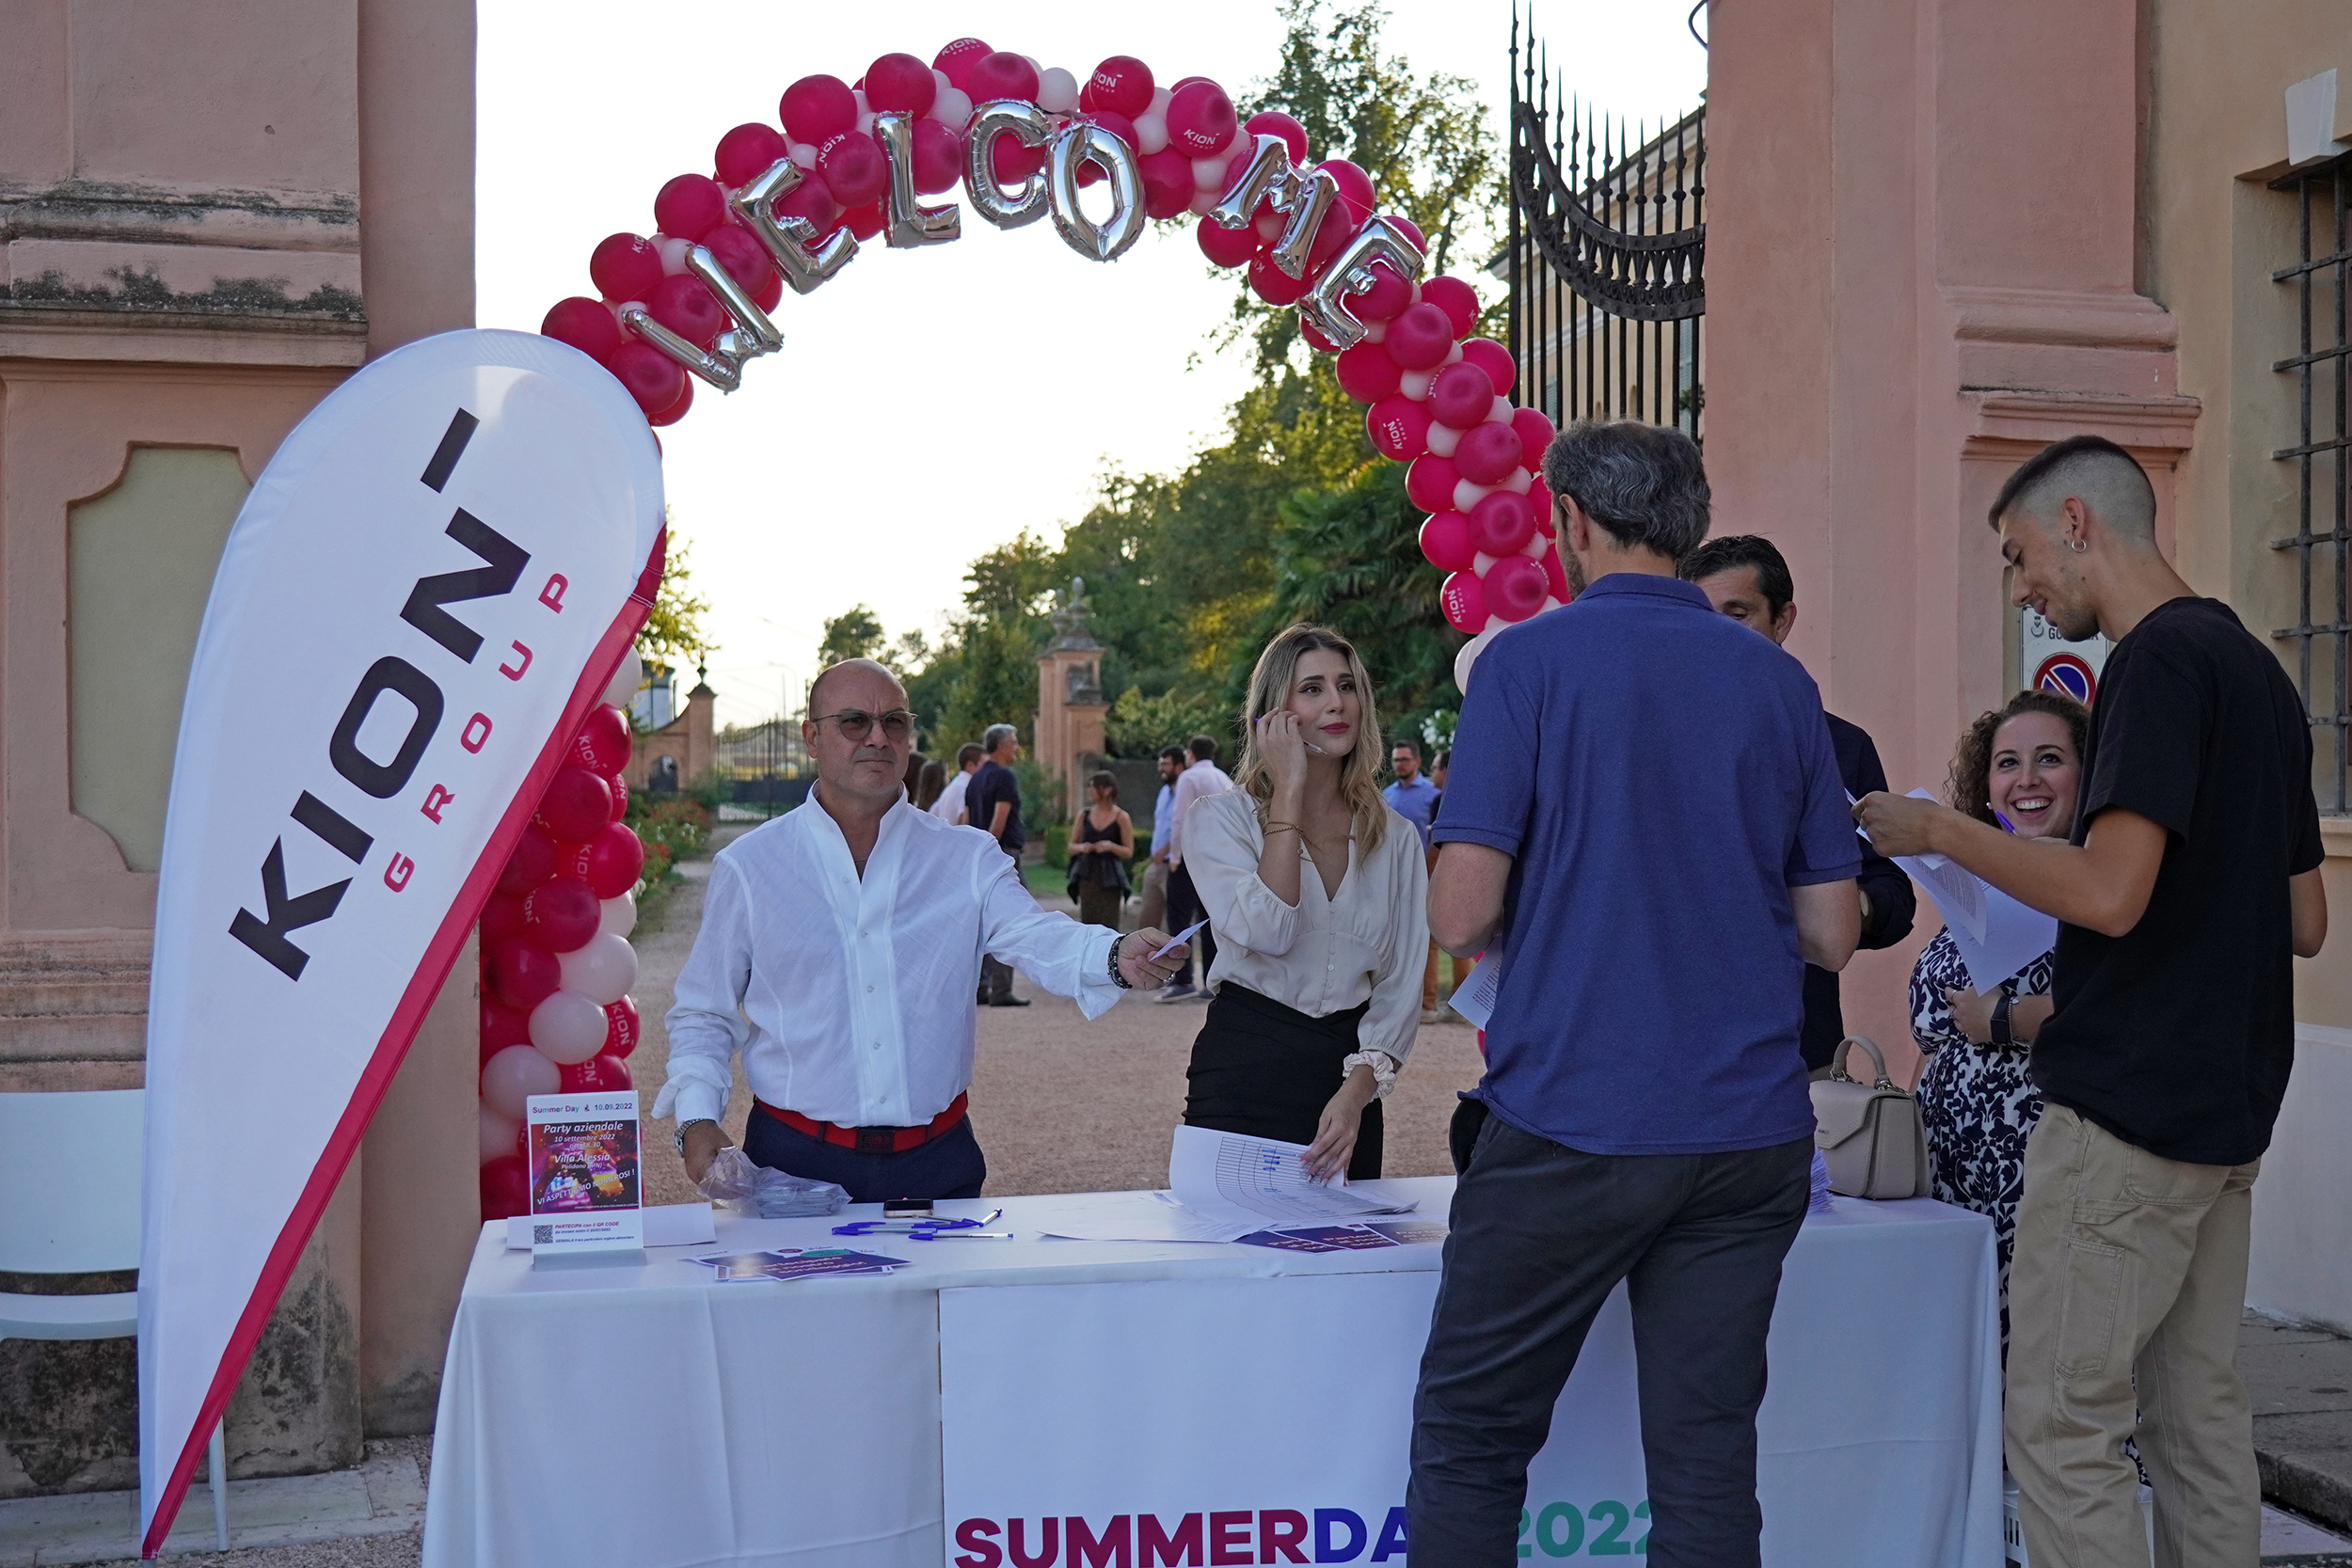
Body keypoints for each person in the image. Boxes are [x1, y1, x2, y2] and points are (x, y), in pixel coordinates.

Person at [1854, 435, 2328, 1568]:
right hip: (2224, 1119)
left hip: (2125, 1117)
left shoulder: (2153, 666)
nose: (2022, 586)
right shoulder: (2257, 671)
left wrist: (1940, 832)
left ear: (2078, 522)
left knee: (2061, 1425)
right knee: (2196, 1421)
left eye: (2020, 554)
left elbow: (2110, 893)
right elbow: (2304, 919)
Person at [1409, 420, 1862, 1566]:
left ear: (1569, 522)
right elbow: (1830, 928)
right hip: (1746, 1128)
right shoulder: (1778, 681)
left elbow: (1457, 917)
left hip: (1571, 1110)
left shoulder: (1529, 662)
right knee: (1707, 1461)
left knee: (1471, 1440)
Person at [658, 659, 1184, 1202]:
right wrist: (696, 1120)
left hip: (938, 1163)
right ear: (812, 737)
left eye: (895, 723)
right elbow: (704, 1011)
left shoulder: (967, 857)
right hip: (794, 1162)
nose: (878, 738)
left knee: (942, 1295)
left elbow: (1036, 934)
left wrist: (1115, 953)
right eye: (855, 722)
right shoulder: (750, 867)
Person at [1180, 626, 1430, 1181]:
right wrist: (1288, 788)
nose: (1337, 703)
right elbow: (1269, 929)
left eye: (1346, 685)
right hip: (1243, 1066)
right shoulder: (1219, 822)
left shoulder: (1397, 840)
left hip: (1347, 1086)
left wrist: (1357, 1093)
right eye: (1311, 689)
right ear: (1275, 711)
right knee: (1229, 1260)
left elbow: (1401, 985)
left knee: (1343, 1260)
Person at [1681, 534, 1916, 1074]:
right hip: (1674, 1047)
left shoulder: (1839, 745)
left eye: (1736, 614)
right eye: (1701, 616)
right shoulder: (1647, 738)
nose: (1716, 635)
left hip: (1793, 1050)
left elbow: (1893, 891)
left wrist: (1844, 906)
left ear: (1783, 621)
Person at [1907, 689, 2087, 1354]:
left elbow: (2118, 1004)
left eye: (2050, 759)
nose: (2028, 780)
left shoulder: (2103, 883)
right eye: (2008, 763)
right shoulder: (1975, 881)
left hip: (2041, 1173)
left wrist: (2006, 1019)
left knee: (2047, 1360)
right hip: (1953, 1178)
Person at [1154, 734, 1233, 1004]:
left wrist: (1175, 856)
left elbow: (1181, 819)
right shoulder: (1224, 779)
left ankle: (1183, 979)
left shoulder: (1189, 778)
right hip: (1217, 858)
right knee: (1210, 921)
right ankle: (1211, 981)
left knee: (1178, 919)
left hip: (1190, 856)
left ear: (1190, 754)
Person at [1381, 736, 1444, 1024]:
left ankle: (1427, 1003)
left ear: (1417, 762)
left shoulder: (1433, 795)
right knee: (1394, 939)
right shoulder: (1386, 796)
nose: (1400, 764)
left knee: (1428, 939)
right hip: (1394, 877)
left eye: (1405, 759)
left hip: (1429, 874)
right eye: (1396, 760)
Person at [966, 724, 1029, 1007]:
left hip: (980, 855)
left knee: (982, 923)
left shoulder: (975, 777)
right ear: (1001, 745)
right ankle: (1002, 989)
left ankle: (981, 986)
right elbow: (999, 819)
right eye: (1013, 742)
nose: (1016, 747)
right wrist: (994, 857)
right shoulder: (1004, 777)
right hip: (1001, 854)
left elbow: (967, 820)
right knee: (1011, 920)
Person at [1067, 768, 1135, 929]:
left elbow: (1129, 851)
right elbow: (1071, 846)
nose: (1089, 791)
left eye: (1093, 786)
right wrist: (1083, 847)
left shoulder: (1121, 817)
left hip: (1110, 879)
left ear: (1107, 790)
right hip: (1088, 875)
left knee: (1109, 924)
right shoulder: (1084, 815)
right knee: (1088, 923)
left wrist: (1111, 847)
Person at [1136, 746, 1184, 932]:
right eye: (1160, 764)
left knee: (1176, 923)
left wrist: (1166, 850)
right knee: (1146, 922)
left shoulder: (1185, 792)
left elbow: (1183, 827)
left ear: (1179, 766)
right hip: (1155, 866)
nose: (1161, 769)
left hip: (1174, 867)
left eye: (1165, 764)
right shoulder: (1164, 792)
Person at [930, 742, 983, 825]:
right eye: (984, 764)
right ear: (970, 766)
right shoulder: (966, 787)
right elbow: (962, 820)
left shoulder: (952, 786)